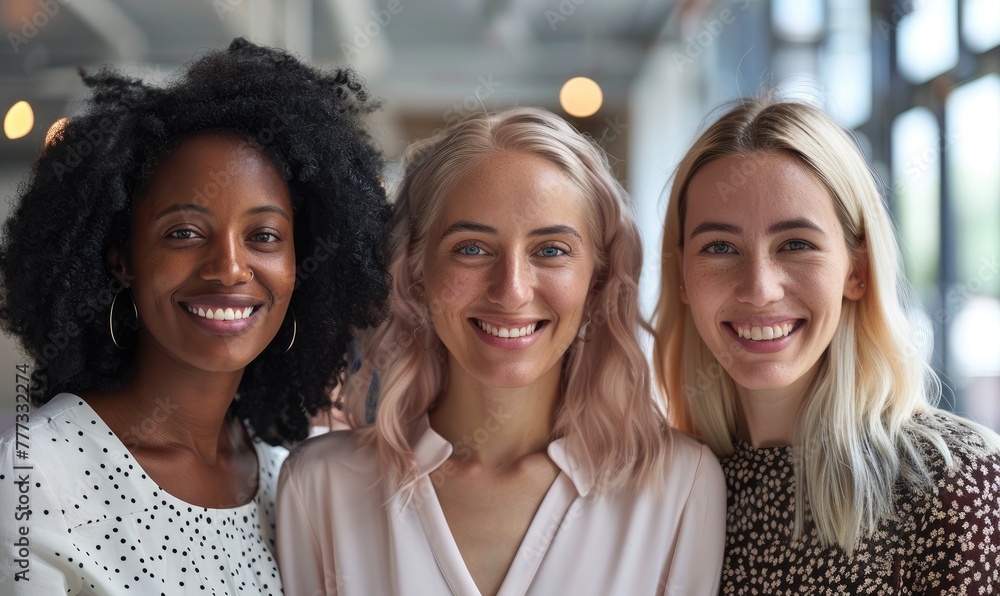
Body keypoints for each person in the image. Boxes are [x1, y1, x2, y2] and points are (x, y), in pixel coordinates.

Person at [276, 106, 727, 595]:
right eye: (472, 248)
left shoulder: (678, 486)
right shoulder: (320, 484)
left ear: (597, 281)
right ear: (416, 274)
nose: (511, 291)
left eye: (551, 250)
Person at [0, 38, 390, 595]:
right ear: (121, 257)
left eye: (264, 236)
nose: (230, 268)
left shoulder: (287, 483)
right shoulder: (37, 477)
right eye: (183, 232)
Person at [653, 98, 1000, 593]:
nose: (759, 288)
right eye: (720, 247)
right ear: (682, 275)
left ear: (857, 270)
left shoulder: (958, 483)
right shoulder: (666, 493)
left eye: (796, 244)